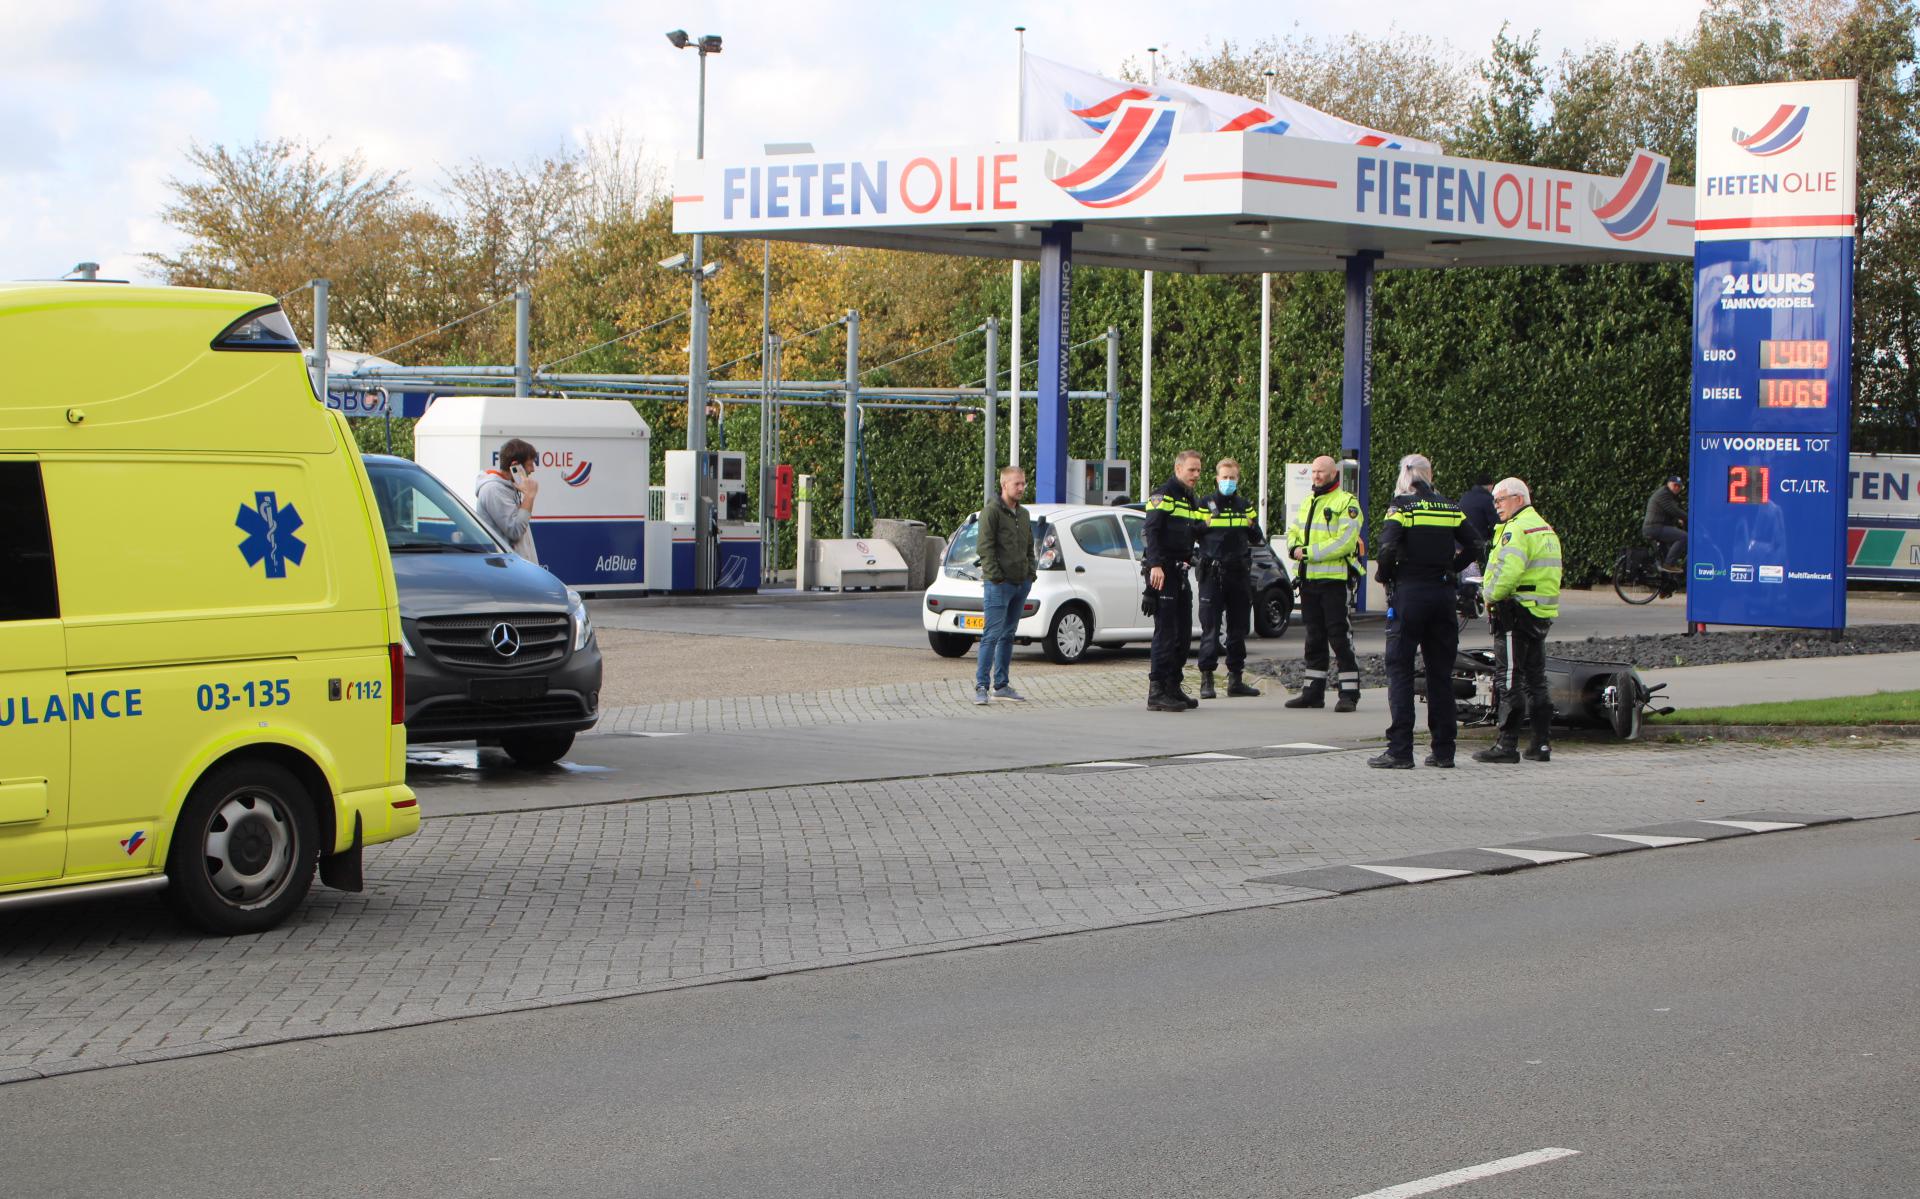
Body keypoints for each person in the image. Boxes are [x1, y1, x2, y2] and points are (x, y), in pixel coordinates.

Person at [1369, 454, 1482, 769]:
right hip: (1443, 596)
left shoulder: (1401, 507)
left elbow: (1387, 548)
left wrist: (1385, 576)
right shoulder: (1450, 507)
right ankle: (1444, 751)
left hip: (1410, 595)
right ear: (1429, 475)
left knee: (1400, 670)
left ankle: (1400, 750)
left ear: (1404, 475)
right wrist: (1451, 568)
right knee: (1440, 675)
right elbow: (1475, 545)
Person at [1474, 477, 1563, 764]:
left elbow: (1507, 574)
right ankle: (1541, 744)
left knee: (1509, 679)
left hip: (1515, 614)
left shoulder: (1517, 530)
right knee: (1537, 680)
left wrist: (1488, 595)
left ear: (1519, 499)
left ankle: (1507, 745)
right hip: (1540, 614)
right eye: (1495, 500)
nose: (1496, 506)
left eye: (1501, 500)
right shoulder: (1545, 529)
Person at [1284, 455, 1365, 711]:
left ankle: (1349, 694)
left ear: (1333, 474)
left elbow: (1345, 541)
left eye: (1321, 472)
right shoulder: (1309, 501)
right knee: (1314, 637)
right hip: (1309, 581)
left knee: (1339, 637)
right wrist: (1294, 546)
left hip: (1334, 582)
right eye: (1314, 472)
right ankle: (1312, 693)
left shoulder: (1346, 503)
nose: (1316, 476)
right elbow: (1294, 530)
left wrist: (1307, 552)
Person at [1143, 450, 1208, 713]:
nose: (1196, 475)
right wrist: (1155, 565)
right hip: (1164, 570)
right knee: (1166, 632)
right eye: (1192, 470)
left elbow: (1191, 531)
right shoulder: (1163, 495)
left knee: (1182, 632)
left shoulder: (1189, 499)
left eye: (1199, 471)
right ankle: (1156, 691)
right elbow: (1152, 531)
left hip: (1180, 570)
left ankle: (1173, 685)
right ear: (1178, 468)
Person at [1196, 458, 1263, 700]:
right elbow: (1193, 531)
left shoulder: (1245, 505)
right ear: (1216, 478)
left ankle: (1235, 679)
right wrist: (1203, 525)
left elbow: (1257, 536)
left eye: (1232, 478)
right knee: (1210, 628)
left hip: (1238, 573)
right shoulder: (1205, 504)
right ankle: (1207, 680)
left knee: (1238, 628)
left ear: (1238, 478)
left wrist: (1251, 525)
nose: (1227, 482)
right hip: (1212, 573)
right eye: (1224, 477)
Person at [974, 465, 1037, 705]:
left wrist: (1030, 574)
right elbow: (985, 548)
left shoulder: (1023, 514)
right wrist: (996, 577)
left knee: (1008, 634)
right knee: (991, 635)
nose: (1021, 488)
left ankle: (1001, 684)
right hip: (999, 585)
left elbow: (1029, 546)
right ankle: (982, 685)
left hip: (1021, 583)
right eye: (1017, 484)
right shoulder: (991, 512)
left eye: (1023, 483)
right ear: (1004, 485)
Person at [475, 438, 540, 563]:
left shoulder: (510, 487)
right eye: (530, 464)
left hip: (517, 569)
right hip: (507, 571)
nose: (533, 469)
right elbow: (515, 530)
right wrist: (529, 497)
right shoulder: (493, 490)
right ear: (515, 465)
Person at [1643, 475, 1687, 573]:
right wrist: (1690, 517)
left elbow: (1666, 512)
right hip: (1654, 527)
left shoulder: (1668, 495)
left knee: (1665, 555)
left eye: (1679, 486)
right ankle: (1669, 564)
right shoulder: (1664, 494)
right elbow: (1673, 510)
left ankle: (1666, 584)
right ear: (1668, 484)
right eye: (1675, 485)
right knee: (1683, 537)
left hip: (1655, 527)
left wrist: (1678, 519)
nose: (1677, 488)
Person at [1459, 471, 1498, 558]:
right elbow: (1496, 525)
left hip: (1459, 545)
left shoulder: (1465, 497)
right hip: (1477, 547)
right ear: (1491, 486)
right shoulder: (1488, 500)